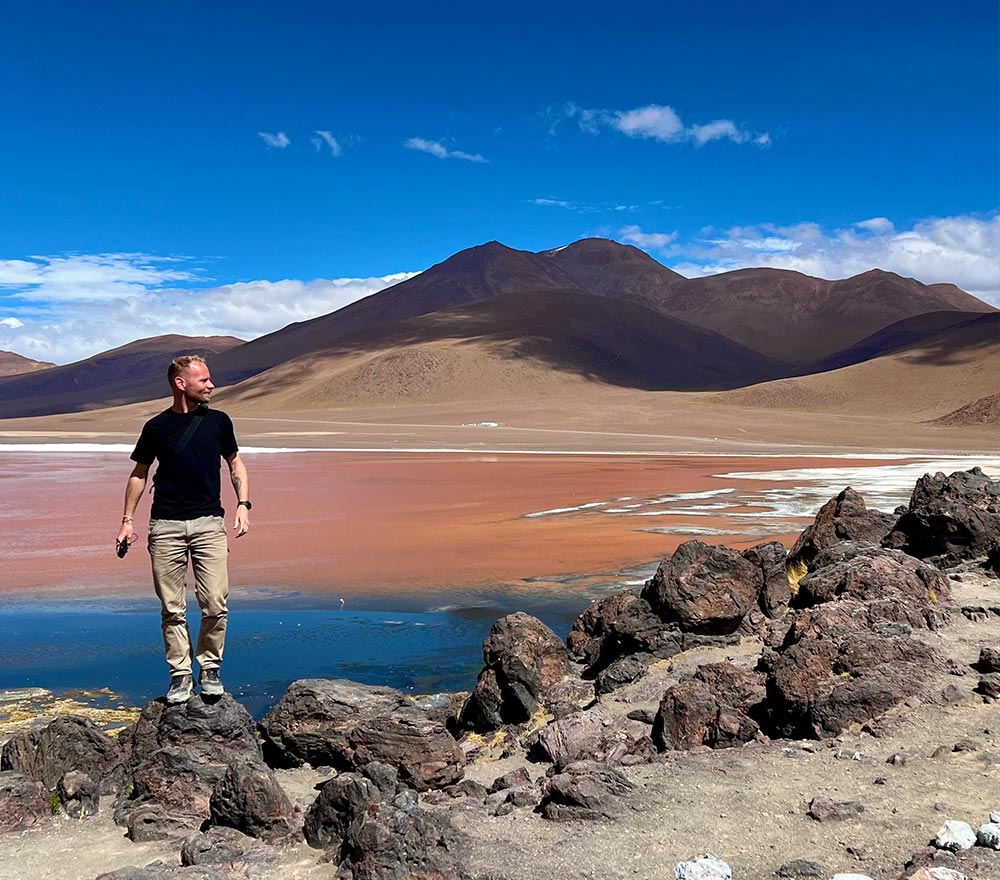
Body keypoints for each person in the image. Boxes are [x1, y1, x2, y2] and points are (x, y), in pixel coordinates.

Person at [116, 355, 251, 704]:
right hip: (165, 526)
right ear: (181, 384)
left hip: (209, 522)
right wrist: (127, 521)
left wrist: (243, 504)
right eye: (203, 380)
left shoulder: (219, 422)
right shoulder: (156, 427)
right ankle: (180, 675)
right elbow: (139, 474)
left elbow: (235, 462)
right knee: (172, 608)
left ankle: (210, 669)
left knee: (215, 603)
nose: (211, 385)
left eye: (209, 379)